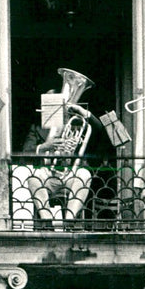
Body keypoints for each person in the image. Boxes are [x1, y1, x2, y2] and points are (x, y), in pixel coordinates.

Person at [24, 91, 110, 229]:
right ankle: (47, 221)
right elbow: (25, 152)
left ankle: (69, 220)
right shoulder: (37, 127)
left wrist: (84, 112)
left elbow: (99, 129)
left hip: (69, 175)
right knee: (33, 177)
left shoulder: (76, 123)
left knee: (84, 175)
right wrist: (45, 146)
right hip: (47, 174)